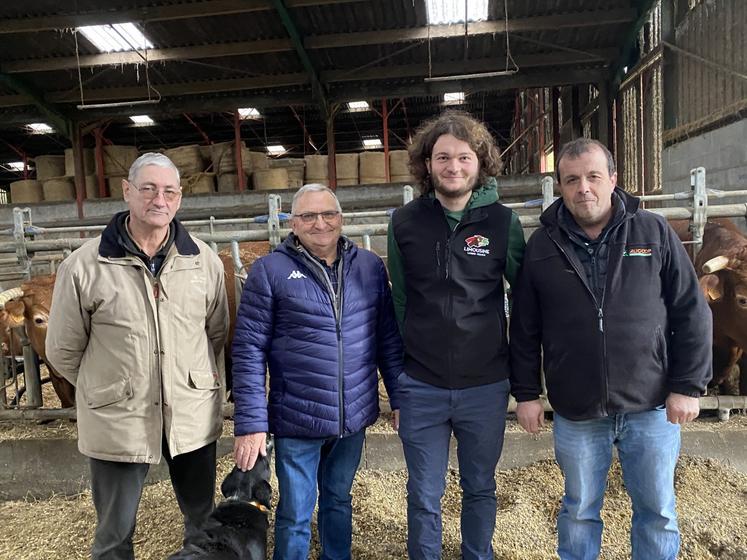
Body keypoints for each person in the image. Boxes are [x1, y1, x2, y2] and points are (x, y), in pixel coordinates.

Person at [509, 137, 712, 560]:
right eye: (572, 180)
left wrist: (688, 386)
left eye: (593, 177)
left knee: (657, 511)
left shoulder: (653, 231)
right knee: (579, 510)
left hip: (651, 404)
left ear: (613, 179)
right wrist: (526, 394)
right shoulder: (543, 247)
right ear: (560, 186)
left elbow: (690, 310)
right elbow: (525, 327)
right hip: (577, 409)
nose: (584, 188)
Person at [45, 153, 229, 560]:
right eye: (147, 188)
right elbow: (62, 349)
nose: (158, 199)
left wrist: (187, 378)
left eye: (168, 191)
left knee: (203, 524)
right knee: (114, 534)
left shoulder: (203, 261)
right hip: (118, 418)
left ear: (179, 199)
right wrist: (108, 386)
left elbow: (215, 334)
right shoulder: (84, 266)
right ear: (127, 191)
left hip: (190, 412)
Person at [231, 183, 403, 560]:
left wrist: (400, 400)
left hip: (353, 416)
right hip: (298, 418)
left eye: (328, 214)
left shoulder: (370, 267)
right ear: (292, 223)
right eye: (308, 216)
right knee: (295, 511)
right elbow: (247, 350)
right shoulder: (270, 271)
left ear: (341, 219)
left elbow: (387, 338)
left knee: (339, 499)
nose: (319, 223)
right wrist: (250, 422)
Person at [387, 110, 526, 560]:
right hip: (421, 385)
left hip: (485, 384)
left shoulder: (504, 224)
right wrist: (398, 383)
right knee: (424, 495)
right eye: (442, 157)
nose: (453, 167)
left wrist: (526, 382)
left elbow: (525, 306)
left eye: (464, 157)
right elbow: (400, 303)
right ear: (426, 164)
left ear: (480, 162)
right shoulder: (404, 222)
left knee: (480, 488)